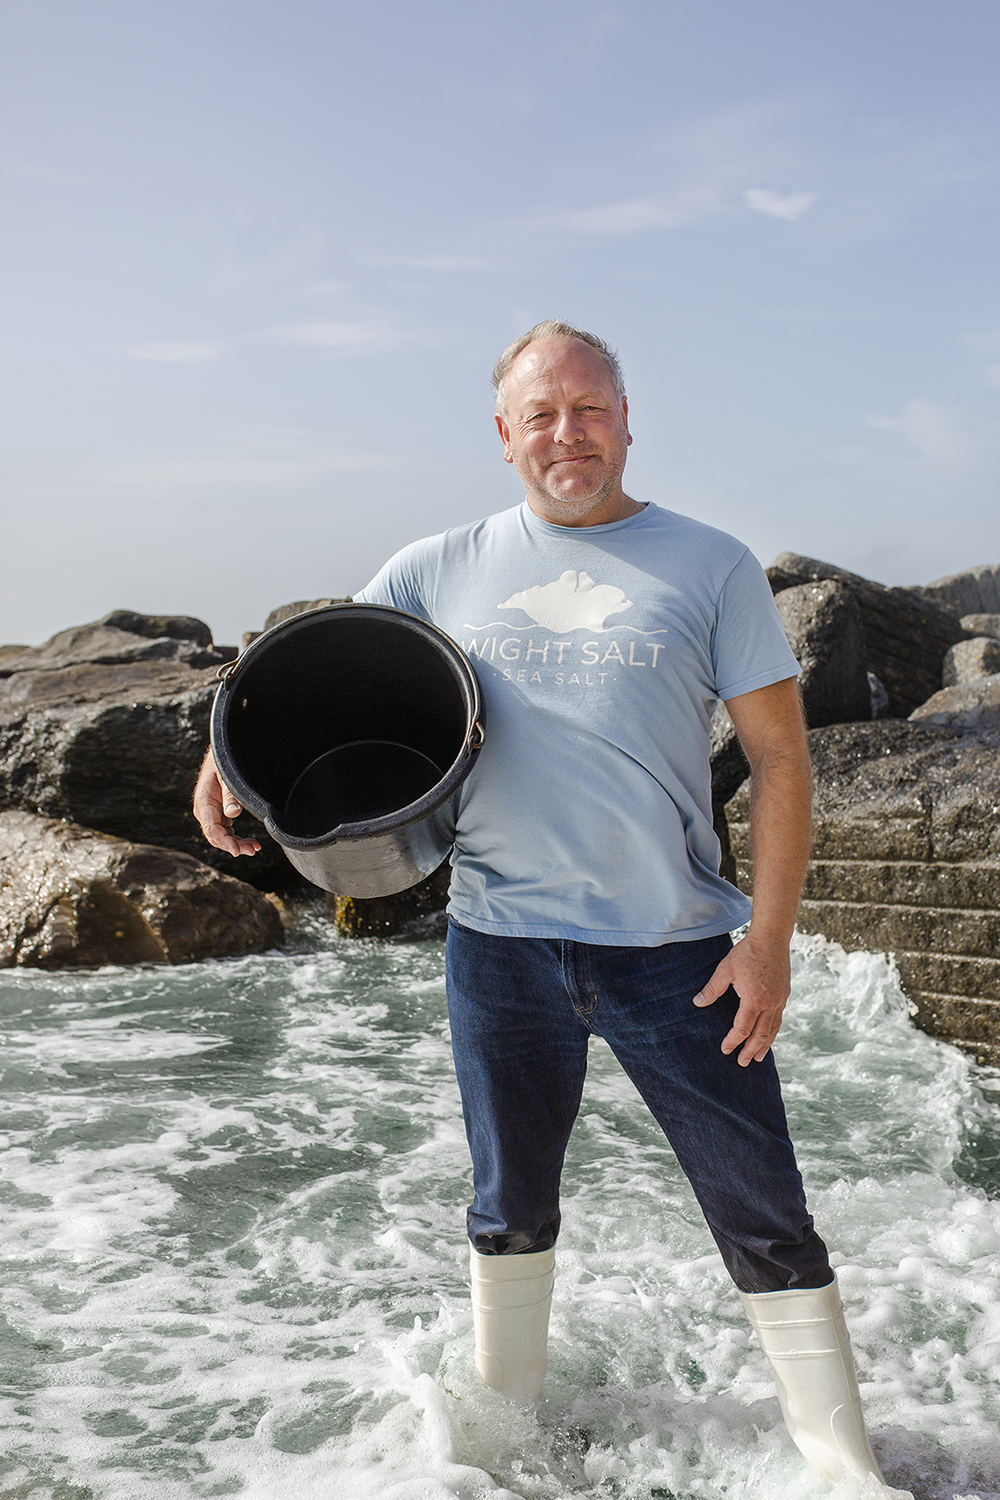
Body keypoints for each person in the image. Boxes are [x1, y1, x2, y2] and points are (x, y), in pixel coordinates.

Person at [193, 321, 885, 1487]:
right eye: (542, 415)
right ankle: (501, 1453)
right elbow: (310, 672)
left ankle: (839, 1464)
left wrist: (766, 941)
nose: (569, 433)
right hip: (499, 948)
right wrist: (220, 753)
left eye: (590, 408)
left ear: (626, 421)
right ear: (504, 435)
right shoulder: (437, 565)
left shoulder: (710, 564)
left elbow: (780, 761)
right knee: (506, 1209)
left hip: (677, 954)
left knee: (764, 1213)